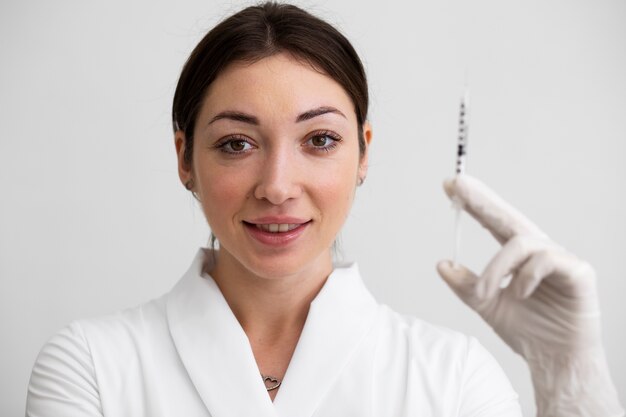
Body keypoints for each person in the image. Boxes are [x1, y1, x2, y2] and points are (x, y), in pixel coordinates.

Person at [26, 3, 623, 416]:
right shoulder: (92, 367)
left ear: (363, 153)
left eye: (319, 141)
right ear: (186, 158)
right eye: (237, 143)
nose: (278, 186)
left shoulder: (453, 377)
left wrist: (570, 382)